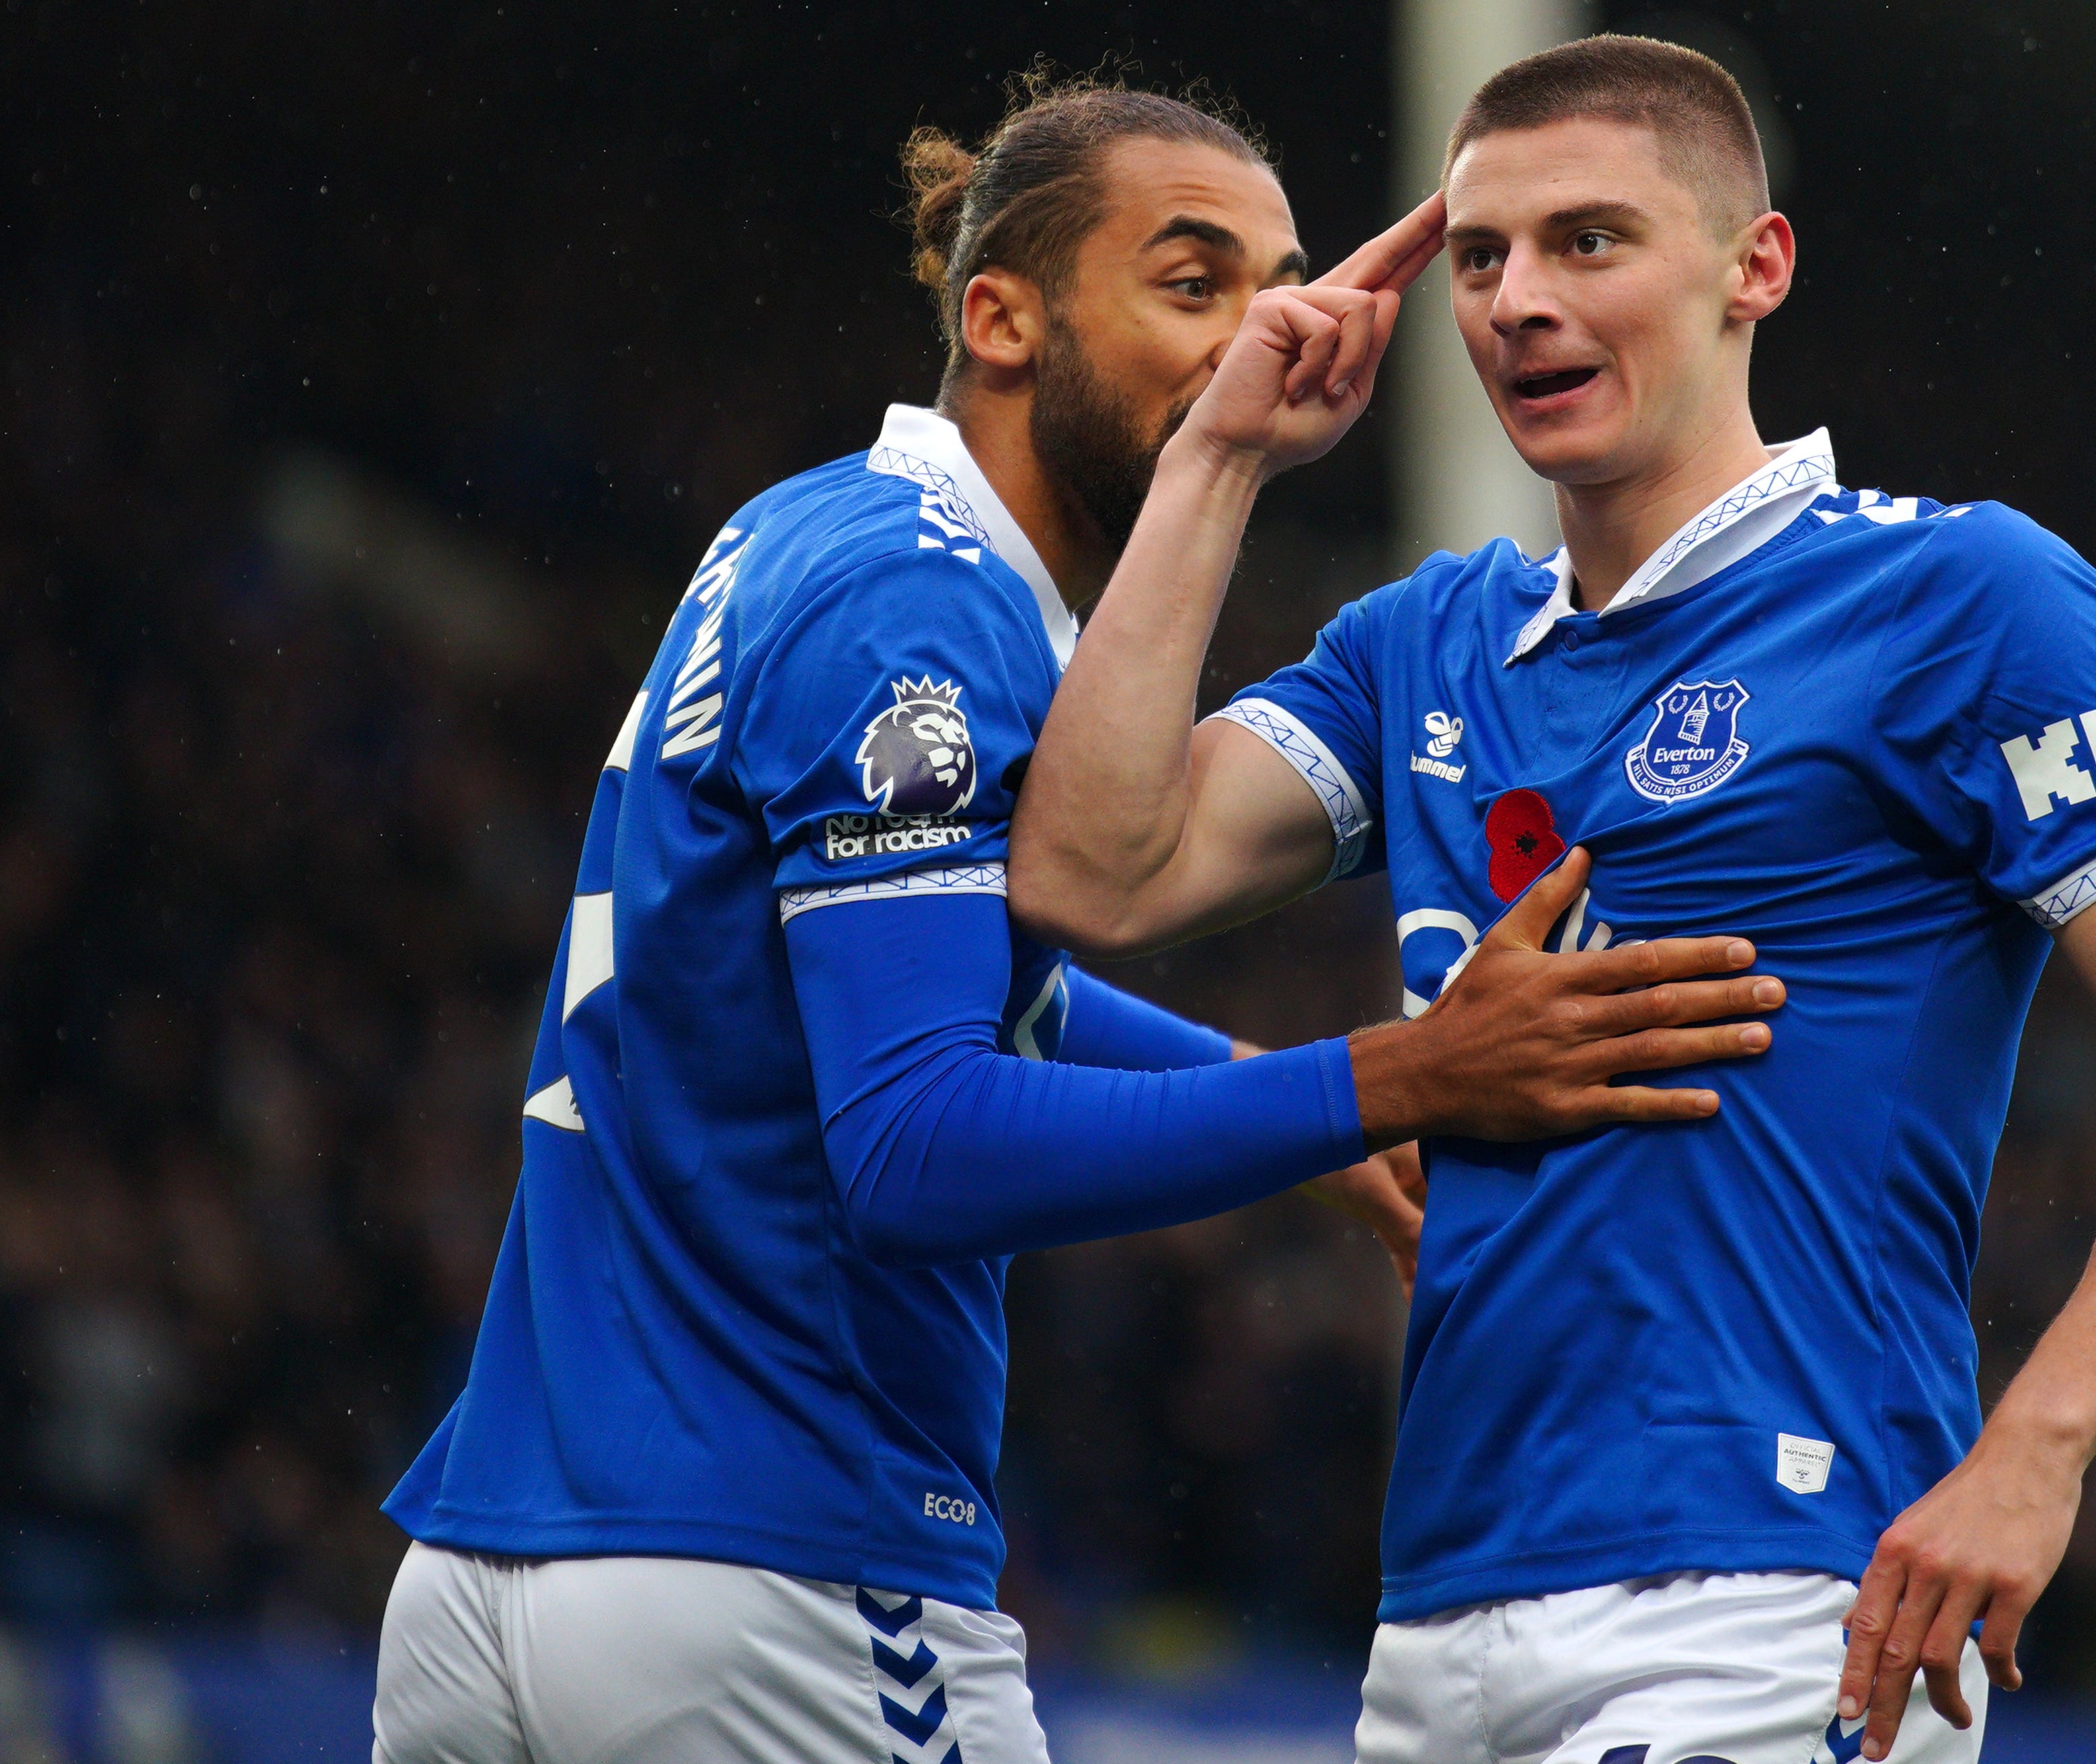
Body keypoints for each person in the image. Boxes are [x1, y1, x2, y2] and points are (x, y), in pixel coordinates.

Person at [368, 73, 1785, 1764]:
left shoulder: (812, 530)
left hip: (497, 1560)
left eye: (1280, 290)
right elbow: (913, 1142)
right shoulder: (926, 601)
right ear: (1003, 318)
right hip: (774, 1564)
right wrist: (1391, 1082)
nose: (1261, 341)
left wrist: (1277, 1093)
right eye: (1195, 289)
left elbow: (912, 965)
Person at [1007, 35, 2096, 1764]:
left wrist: (2038, 1450)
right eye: (1480, 259)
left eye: (1590, 242)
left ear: (1752, 268)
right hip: (1438, 1624)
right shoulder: (1426, 644)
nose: (1517, 304)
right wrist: (1224, 455)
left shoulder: (1959, 597)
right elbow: (1094, 872)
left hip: (1781, 1599)